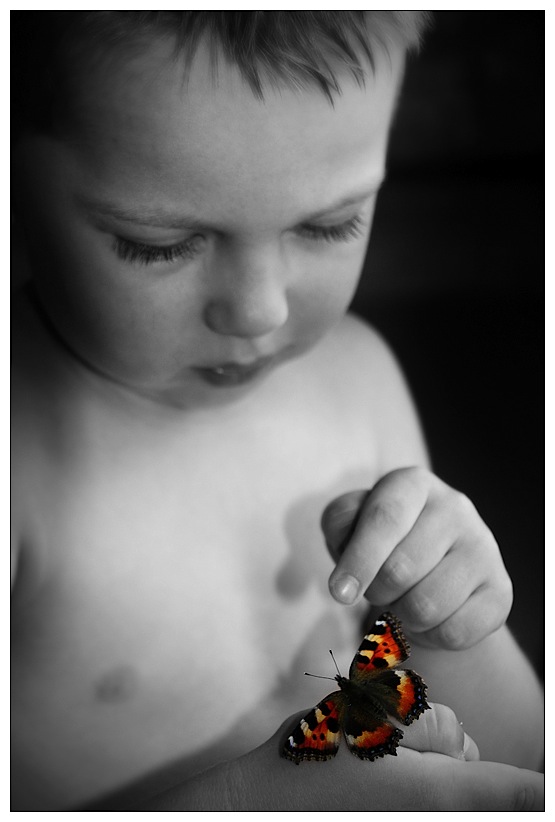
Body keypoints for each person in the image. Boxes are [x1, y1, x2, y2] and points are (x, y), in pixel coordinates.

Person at [10, 11, 543, 811]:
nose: (258, 311)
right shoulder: (24, 464)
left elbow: (525, 766)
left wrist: (446, 628)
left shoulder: (358, 381)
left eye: (330, 224)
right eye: (159, 244)